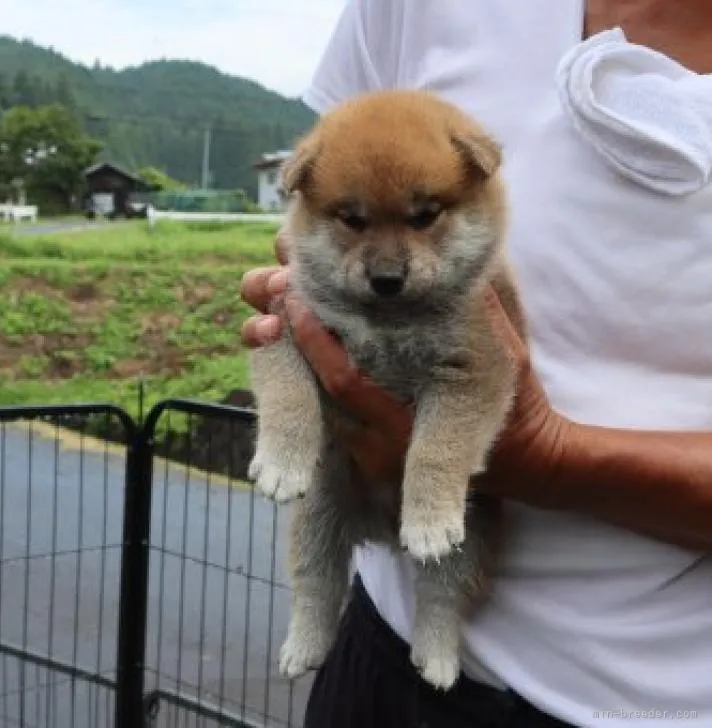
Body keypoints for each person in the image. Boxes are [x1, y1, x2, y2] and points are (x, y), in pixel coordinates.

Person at [240, 1, 712, 726]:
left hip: (645, 699)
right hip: (375, 649)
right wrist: (306, 315)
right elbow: (311, 204)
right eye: (358, 222)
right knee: (320, 517)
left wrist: (548, 456)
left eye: (425, 217)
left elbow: (478, 387)